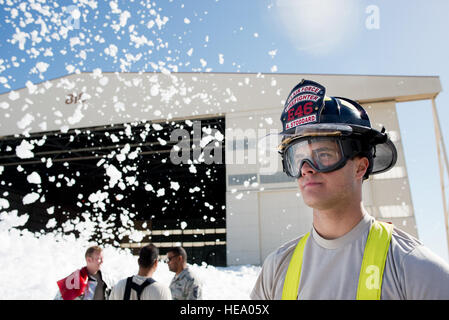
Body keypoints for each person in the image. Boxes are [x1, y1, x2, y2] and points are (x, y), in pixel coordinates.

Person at [250, 79, 449, 300]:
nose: (306, 169)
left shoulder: (416, 269)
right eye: (297, 158)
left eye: (323, 155)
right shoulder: (276, 269)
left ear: (360, 167)